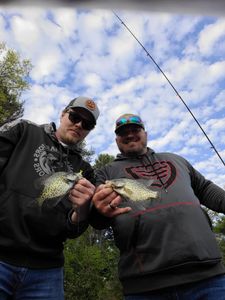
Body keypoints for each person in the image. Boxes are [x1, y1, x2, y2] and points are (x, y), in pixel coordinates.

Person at [90, 113, 225, 300]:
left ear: (145, 133)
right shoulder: (107, 172)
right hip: (145, 287)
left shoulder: (175, 159)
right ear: (116, 139)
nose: (129, 135)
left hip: (208, 277)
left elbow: (205, 188)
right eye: (123, 133)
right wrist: (99, 210)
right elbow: (97, 218)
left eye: (135, 130)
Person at [0, 96, 100, 300]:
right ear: (63, 114)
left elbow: (75, 229)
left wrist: (82, 210)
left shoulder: (86, 171)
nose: (79, 125)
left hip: (47, 270)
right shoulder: (24, 130)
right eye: (74, 117)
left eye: (87, 124)